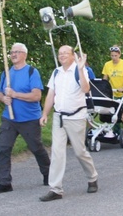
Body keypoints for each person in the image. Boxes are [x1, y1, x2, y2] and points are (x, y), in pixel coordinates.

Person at [39, 46, 99, 201]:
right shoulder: (56, 72)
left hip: (76, 117)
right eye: (60, 53)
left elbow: (86, 89)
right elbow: (51, 94)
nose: (62, 55)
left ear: (73, 55)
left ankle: (92, 177)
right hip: (59, 117)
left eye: (65, 53)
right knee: (57, 152)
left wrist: (80, 69)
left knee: (80, 151)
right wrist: (45, 113)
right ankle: (56, 189)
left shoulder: (80, 70)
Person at [0, 43, 51, 194]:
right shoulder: (6, 73)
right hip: (9, 118)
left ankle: (48, 173)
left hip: (29, 119)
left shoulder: (32, 72)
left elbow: (36, 96)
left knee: (36, 148)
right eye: (11, 52)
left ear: (24, 54)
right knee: (3, 148)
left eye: (17, 52)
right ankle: (4, 182)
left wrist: (15, 94)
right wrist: (4, 98)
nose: (13, 54)